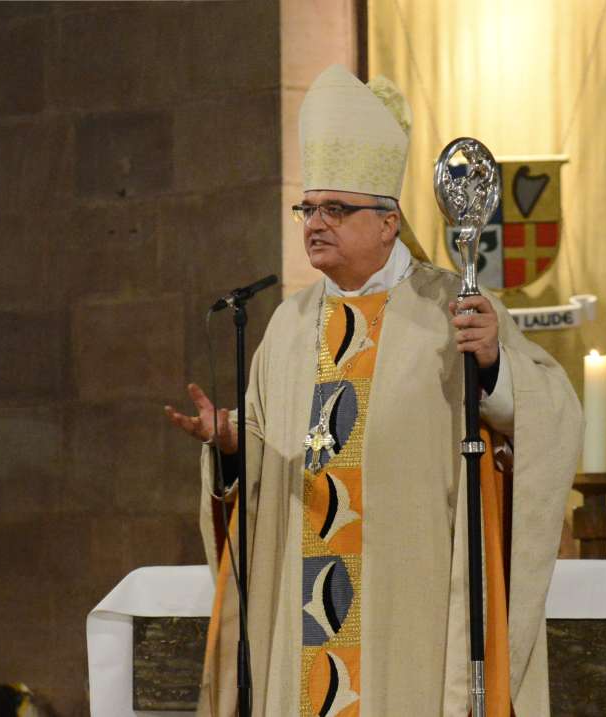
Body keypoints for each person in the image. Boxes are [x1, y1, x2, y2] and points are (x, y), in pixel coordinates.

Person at [166, 65, 583, 716]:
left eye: (337, 208)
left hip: (408, 624)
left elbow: (550, 410)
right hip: (300, 628)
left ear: (388, 222)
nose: (316, 222)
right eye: (310, 207)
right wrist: (228, 446)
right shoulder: (284, 327)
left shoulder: (453, 307)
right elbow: (263, 490)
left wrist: (496, 361)